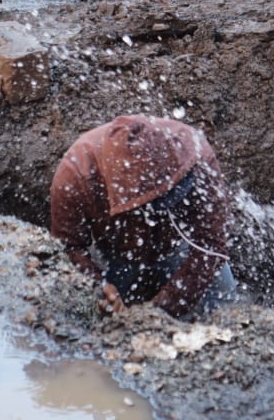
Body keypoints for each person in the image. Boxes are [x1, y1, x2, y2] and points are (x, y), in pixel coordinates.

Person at [50, 115, 236, 318]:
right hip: (120, 253)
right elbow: (68, 247)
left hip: (179, 244)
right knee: (97, 312)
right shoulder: (75, 174)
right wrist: (98, 285)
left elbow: (212, 244)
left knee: (224, 298)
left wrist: (161, 310)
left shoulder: (195, 152)